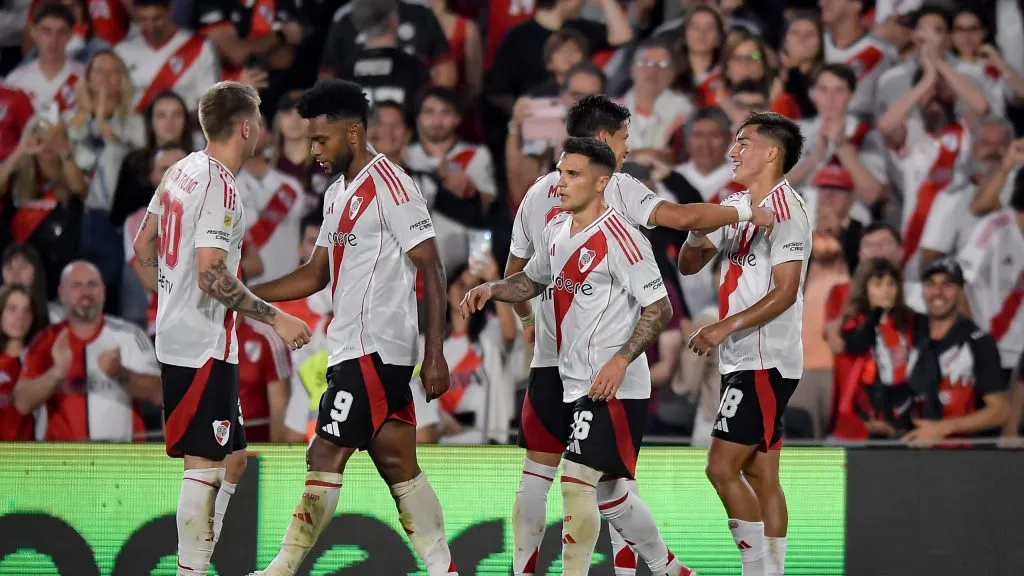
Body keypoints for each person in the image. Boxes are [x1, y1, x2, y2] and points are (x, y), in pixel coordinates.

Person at [504, 95, 771, 576]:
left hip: (552, 357)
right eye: (625, 138)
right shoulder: (616, 188)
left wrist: (528, 325)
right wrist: (744, 211)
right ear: (603, 141)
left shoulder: (537, 191)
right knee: (608, 483)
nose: (630, 148)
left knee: (542, 477)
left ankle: (529, 570)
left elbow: (515, 271)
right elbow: (684, 219)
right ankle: (661, 569)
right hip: (604, 359)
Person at [244, 79, 458, 576]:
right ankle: (444, 568)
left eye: (321, 140)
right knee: (398, 462)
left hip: (376, 346)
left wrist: (435, 354)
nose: (313, 150)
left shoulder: (393, 182)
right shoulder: (337, 193)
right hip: (352, 348)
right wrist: (246, 295)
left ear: (355, 133)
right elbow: (315, 273)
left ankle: (281, 569)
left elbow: (431, 266)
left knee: (323, 451)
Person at [462, 137, 695, 576]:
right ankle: (670, 569)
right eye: (561, 171)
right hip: (574, 381)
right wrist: (493, 289)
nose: (561, 182)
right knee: (614, 497)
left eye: (573, 174)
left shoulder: (622, 238)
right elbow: (531, 282)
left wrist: (622, 359)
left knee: (574, 484)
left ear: (602, 182)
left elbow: (659, 307)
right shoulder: (556, 231)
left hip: (613, 385)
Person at [131, 81, 311, 576]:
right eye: (260, 122)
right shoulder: (220, 184)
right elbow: (212, 273)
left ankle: (198, 561)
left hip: (195, 338)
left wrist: (170, 297)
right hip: (200, 345)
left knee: (234, 459)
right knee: (206, 465)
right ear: (247, 127)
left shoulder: (179, 170)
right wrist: (276, 317)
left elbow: (142, 248)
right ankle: (191, 571)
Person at [679, 112, 810, 576]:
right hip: (746, 358)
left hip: (764, 359)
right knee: (760, 473)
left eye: (742, 144)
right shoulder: (736, 205)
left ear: (771, 153)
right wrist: (697, 232)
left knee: (720, 468)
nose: (732, 152)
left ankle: (754, 571)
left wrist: (722, 327)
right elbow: (690, 265)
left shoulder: (788, 212)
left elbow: (785, 291)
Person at [13, 260, 162, 440]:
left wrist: (120, 373)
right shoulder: (45, 341)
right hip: (59, 462)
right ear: (62, 293)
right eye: (76, 285)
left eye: (92, 284)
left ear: (104, 291)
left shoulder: (130, 335)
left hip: (121, 461)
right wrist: (56, 374)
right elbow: (21, 403)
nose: (85, 292)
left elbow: (158, 393)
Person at [901, 258, 1010, 446]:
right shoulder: (909, 333)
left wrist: (943, 428)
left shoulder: (979, 342)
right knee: (842, 466)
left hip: (961, 459)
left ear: (961, 290)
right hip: (907, 450)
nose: (937, 292)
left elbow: (1000, 411)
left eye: (947, 285)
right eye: (930, 284)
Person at [114, 0, 220, 113]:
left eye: (157, 19)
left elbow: (209, 103)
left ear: (170, 11)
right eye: (143, 20)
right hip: (134, 127)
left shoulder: (200, 47)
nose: (151, 27)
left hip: (188, 126)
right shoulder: (122, 52)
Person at [5, 3, 84, 114]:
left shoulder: (84, 77)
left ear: (70, 35)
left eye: (61, 32)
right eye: (46, 31)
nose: (53, 40)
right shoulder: (15, 81)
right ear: (33, 32)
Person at [0, 283, 47, 440]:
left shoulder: (41, 363)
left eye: (26, 311)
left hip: (28, 458)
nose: (19, 317)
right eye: (12, 309)